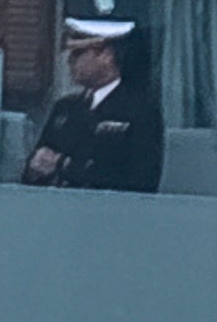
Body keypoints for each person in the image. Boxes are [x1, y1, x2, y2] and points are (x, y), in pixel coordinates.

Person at [23, 18, 163, 192]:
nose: (70, 61)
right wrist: (35, 167)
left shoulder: (139, 110)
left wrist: (62, 164)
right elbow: (36, 164)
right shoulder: (65, 108)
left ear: (106, 56)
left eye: (79, 53)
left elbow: (141, 178)